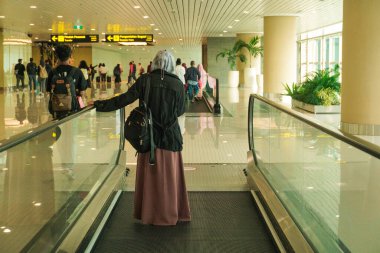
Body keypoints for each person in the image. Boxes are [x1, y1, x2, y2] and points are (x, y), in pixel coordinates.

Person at [92, 50, 191, 226]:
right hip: (170, 138)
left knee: (150, 178)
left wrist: (100, 105)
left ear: (154, 63)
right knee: (169, 177)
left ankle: (149, 213)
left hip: (147, 137)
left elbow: (124, 99)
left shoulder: (145, 80)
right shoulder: (176, 83)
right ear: (170, 65)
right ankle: (170, 213)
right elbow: (181, 110)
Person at [46, 45, 87, 119]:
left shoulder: (52, 72)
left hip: (56, 109)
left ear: (57, 56)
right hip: (73, 109)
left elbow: (49, 92)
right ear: (70, 56)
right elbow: (82, 93)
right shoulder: (77, 71)